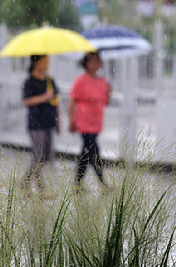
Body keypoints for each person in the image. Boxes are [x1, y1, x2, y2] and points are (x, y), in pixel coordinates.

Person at [68, 52, 111, 193]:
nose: (94, 64)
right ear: (85, 64)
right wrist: (71, 119)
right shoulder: (80, 81)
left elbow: (105, 101)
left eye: (96, 61)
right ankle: (102, 183)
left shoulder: (102, 82)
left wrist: (109, 92)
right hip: (84, 121)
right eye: (91, 61)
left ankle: (77, 183)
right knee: (94, 151)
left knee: (86, 153)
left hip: (96, 122)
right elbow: (72, 100)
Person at [20, 55, 61, 198]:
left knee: (45, 157)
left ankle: (25, 181)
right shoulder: (29, 82)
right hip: (36, 124)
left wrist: (58, 120)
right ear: (36, 62)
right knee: (37, 156)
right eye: (44, 61)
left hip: (49, 122)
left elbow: (56, 101)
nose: (47, 64)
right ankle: (41, 188)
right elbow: (26, 101)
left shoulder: (50, 80)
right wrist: (44, 97)